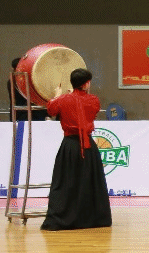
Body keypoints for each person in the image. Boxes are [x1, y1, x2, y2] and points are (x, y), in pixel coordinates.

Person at [41, 68, 112, 231]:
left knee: (66, 182)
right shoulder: (93, 100)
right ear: (86, 84)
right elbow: (91, 112)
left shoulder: (62, 100)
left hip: (69, 146)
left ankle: (64, 218)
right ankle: (92, 218)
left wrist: (58, 95)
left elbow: (51, 110)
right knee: (90, 182)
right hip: (88, 146)